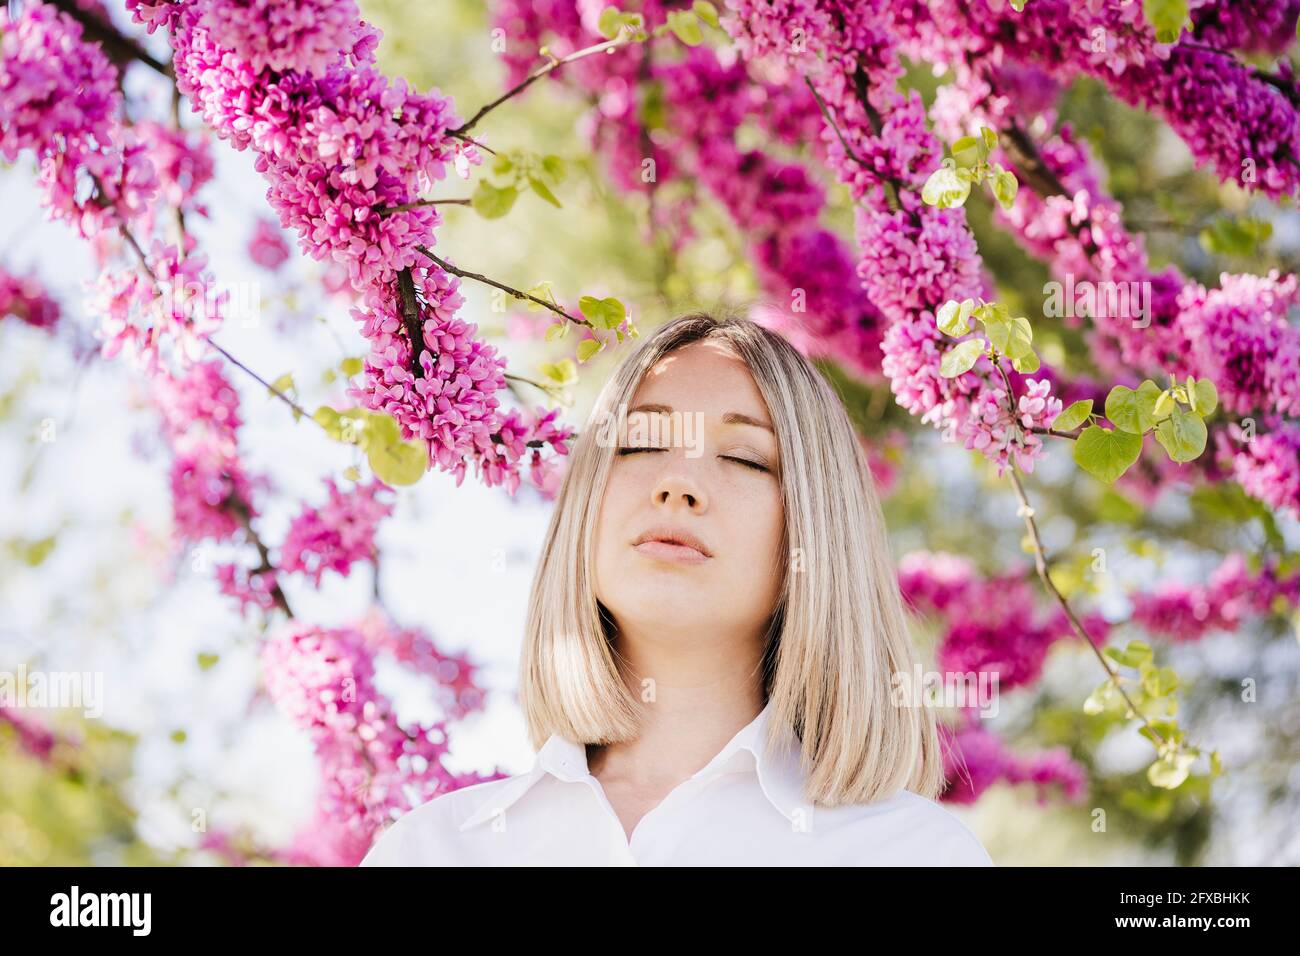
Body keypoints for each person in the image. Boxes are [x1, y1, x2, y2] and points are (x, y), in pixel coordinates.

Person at [361, 310, 993, 866]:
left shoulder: (914, 854)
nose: (677, 485)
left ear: (815, 529)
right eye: (639, 442)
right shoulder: (432, 850)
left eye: (745, 457)